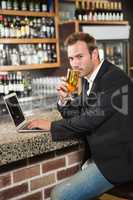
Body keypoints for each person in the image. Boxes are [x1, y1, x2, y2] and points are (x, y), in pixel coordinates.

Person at [28, 32, 133, 200]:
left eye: (79, 56)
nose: (75, 64)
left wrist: (50, 125)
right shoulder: (88, 78)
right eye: (71, 58)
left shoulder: (113, 78)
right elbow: (78, 114)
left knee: (59, 195)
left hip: (118, 161)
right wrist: (64, 100)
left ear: (94, 54)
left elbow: (88, 120)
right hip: (100, 156)